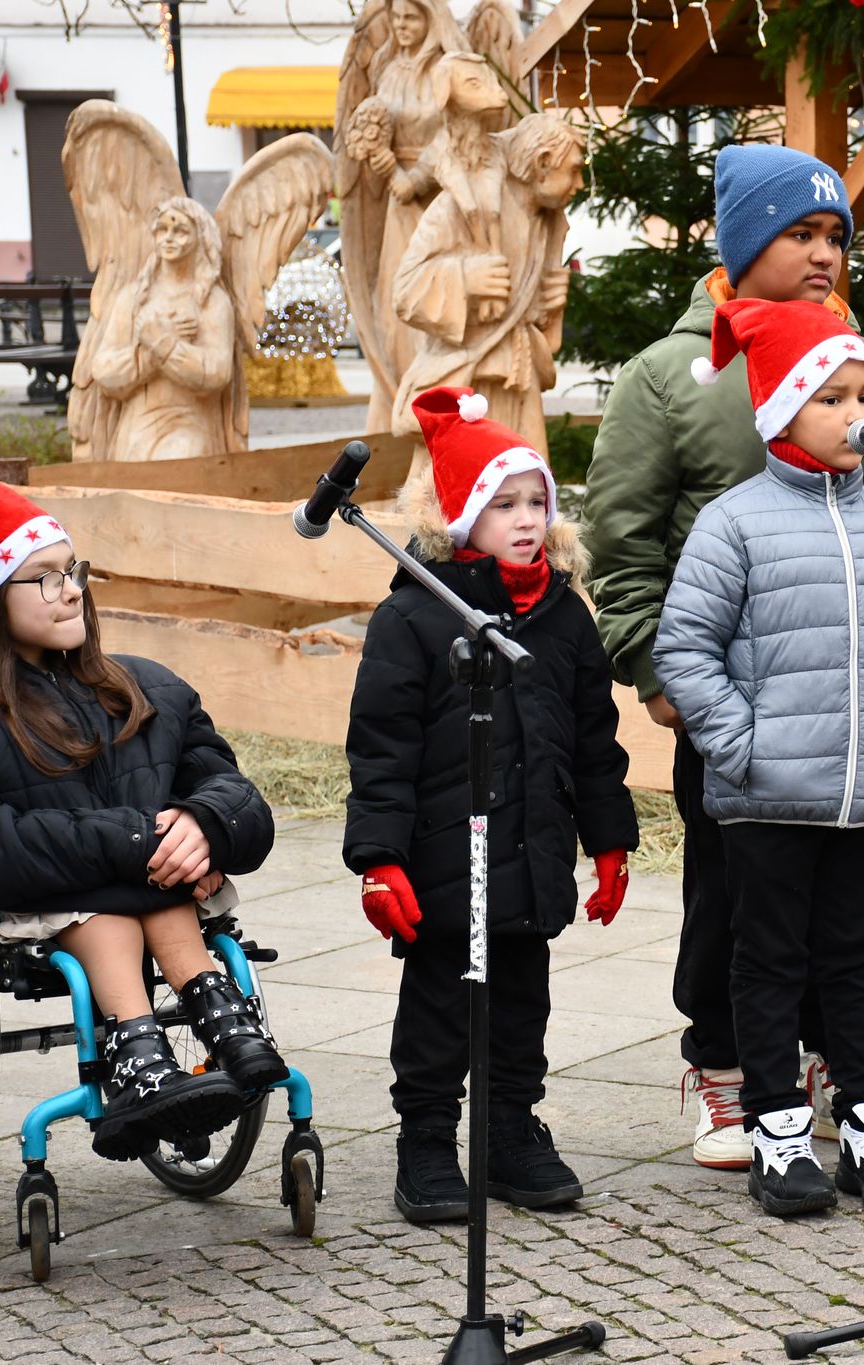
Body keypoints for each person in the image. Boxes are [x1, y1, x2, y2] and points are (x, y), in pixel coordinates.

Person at [582, 142, 864, 1168]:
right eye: (800, 233)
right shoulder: (672, 377)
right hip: (732, 705)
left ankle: (836, 1065)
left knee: (847, 901)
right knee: (733, 894)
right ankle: (726, 1065)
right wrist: (657, 672)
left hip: (855, 702)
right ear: (743, 246)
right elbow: (621, 537)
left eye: (836, 236)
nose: (824, 253)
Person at [0, 409, 283, 1162]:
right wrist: (140, 841)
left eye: (74, 572)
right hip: (43, 906)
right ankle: (147, 1041)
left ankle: (210, 1016)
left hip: (152, 887)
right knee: (120, 891)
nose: (70, 591)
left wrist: (207, 825)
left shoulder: (147, 687)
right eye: (44, 578)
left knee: (160, 872)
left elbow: (232, 789)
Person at [653, 298, 864, 1217]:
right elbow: (685, 651)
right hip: (767, 798)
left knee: (856, 962)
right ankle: (778, 1132)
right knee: (770, 962)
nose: (858, 412)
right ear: (783, 410)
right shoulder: (734, 523)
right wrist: (743, 747)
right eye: (833, 397)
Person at [345, 386, 639, 1223]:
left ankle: (509, 1130)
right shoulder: (414, 616)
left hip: (532, 852)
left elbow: (593, 739)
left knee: (521, 1004)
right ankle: (427, 1138)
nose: (525, 519)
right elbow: (381, 750)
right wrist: (379, 859)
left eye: (536, 501)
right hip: (446, 857)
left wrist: (609, 839)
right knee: (441, 1006)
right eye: (503, 503)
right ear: (460, 514)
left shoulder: (564, 616)